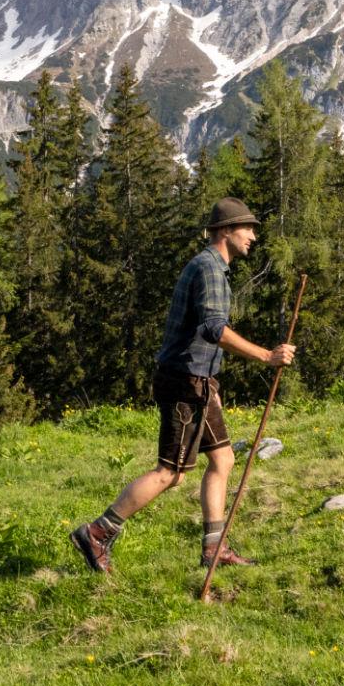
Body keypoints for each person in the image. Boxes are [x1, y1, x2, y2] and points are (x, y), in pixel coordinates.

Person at [70, 197, 296, 575]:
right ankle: (97, 532)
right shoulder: (208, 269)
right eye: (247, 228)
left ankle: (214, 549)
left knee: (223, 459)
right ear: (226, 231)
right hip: (184, 385)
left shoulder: (213, 268)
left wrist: (212, 379)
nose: (253, 236)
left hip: (199, 383)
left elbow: (204, 335)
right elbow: (213, 329)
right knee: (170, 472)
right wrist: (265, 356)